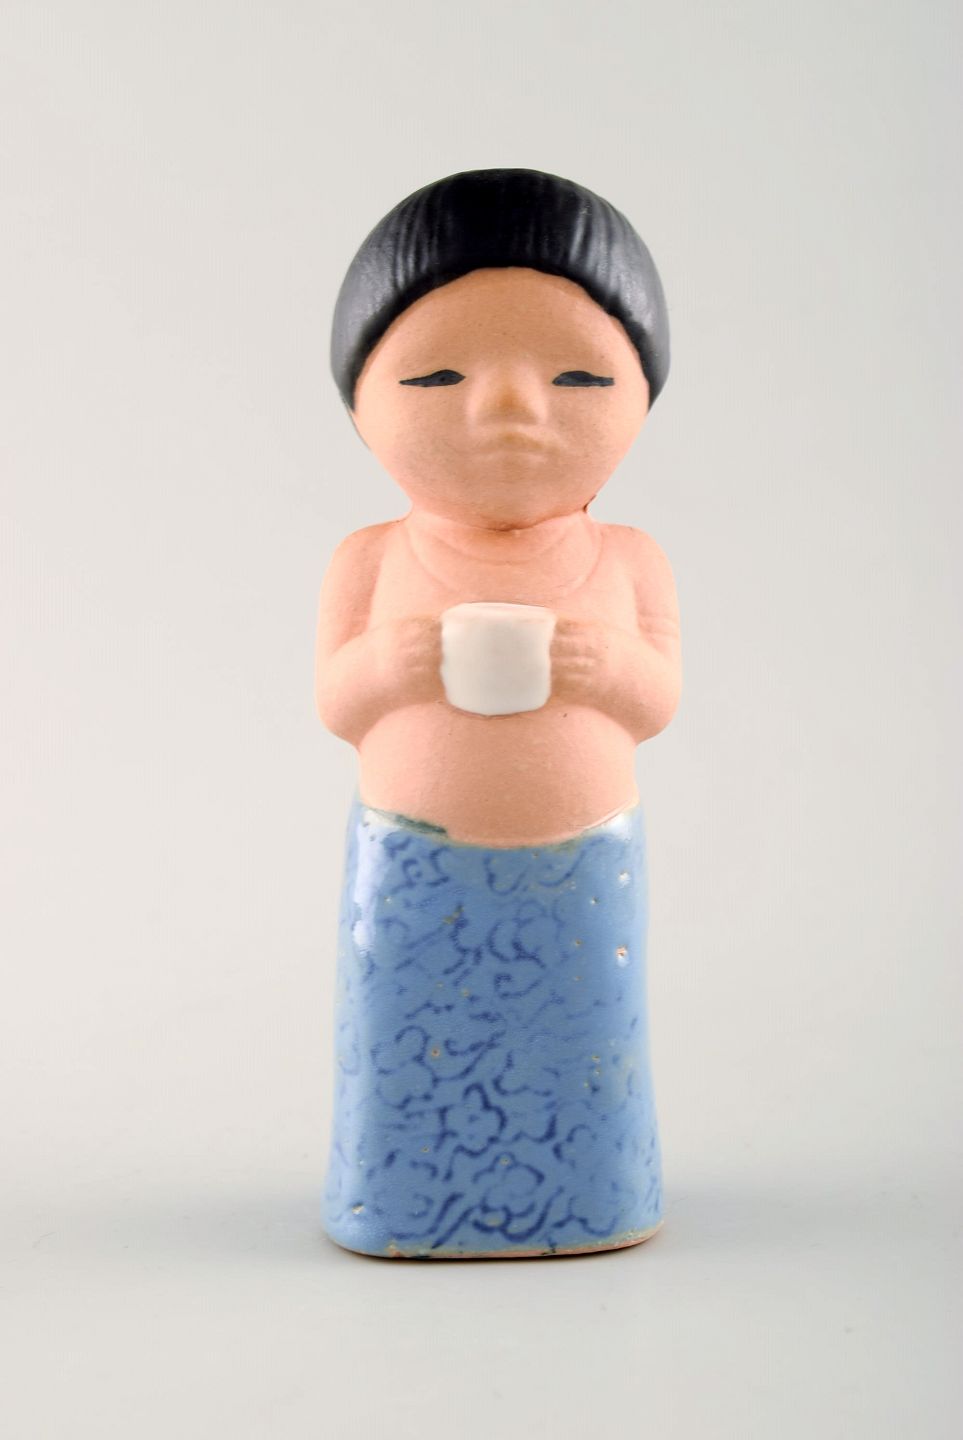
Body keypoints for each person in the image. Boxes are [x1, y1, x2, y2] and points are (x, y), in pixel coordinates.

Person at [316, 169, 681, 1258]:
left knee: (585, 1029)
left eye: (578, 375)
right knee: (405, 1026)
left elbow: (658, 698)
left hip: (582, 859)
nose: (513, 408)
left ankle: (593, 1196)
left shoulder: (627, 560)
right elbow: (335, 700)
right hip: (413, 858)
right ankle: (402, 1202)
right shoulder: (371, 558)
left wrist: (604, 665)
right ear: (359, 405)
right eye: (438, 374)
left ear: (641, 397)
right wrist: (388, 663)